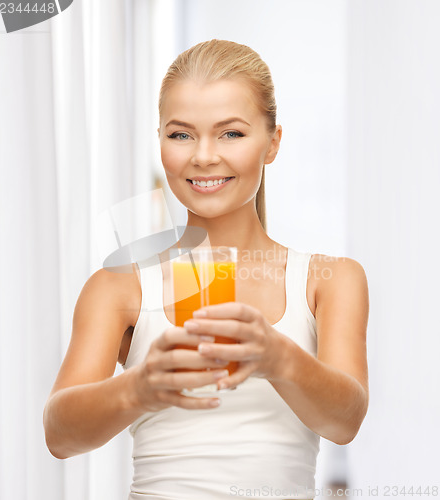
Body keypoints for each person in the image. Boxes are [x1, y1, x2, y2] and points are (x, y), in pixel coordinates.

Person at [43, 39, 369, 499]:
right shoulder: (120, 286)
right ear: (160, 141)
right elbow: (60, 435)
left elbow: (345, 421)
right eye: (181, 134)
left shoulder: (328, 280)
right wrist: (137, 387)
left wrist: (278, 357)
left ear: (272, 142)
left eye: (231, 133)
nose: (203, 156)